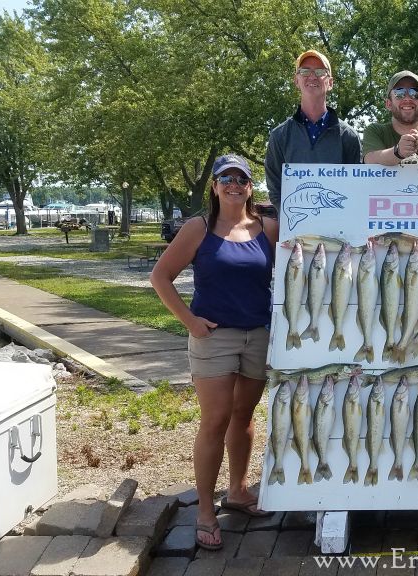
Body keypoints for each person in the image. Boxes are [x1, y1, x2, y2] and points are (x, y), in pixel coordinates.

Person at [151, 154, 279, 551]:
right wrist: (189, 321)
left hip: (258, 334)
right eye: (226, 178)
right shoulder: (198, 228)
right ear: (214, 185)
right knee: (215, 420)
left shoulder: (267, 227)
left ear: (251, 186)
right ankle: (206, 509)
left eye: (242, 179)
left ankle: (238, 491)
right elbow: (161, 277)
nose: (234, 185)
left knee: (244, 417)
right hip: (214, 338)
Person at [265, 49, 362, 212]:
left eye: (320, 71)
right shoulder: (279, 136)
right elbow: (276, 191)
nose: (312, 76)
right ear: (296, 80)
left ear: (330, 83)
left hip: (337, 232)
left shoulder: (348, 136)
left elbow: (355, 190)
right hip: (295, 234)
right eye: (304, 71)